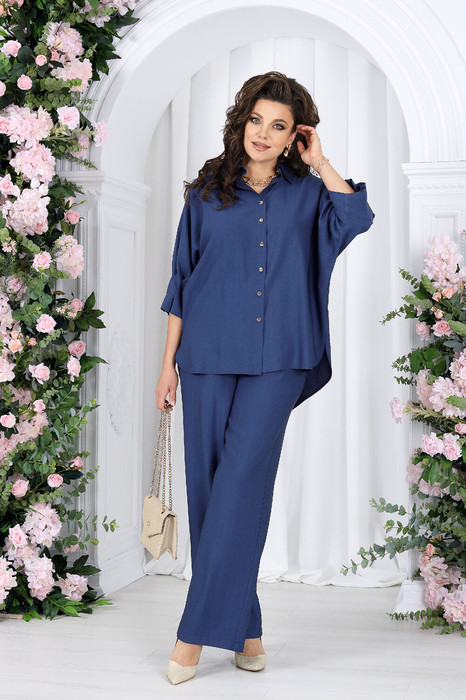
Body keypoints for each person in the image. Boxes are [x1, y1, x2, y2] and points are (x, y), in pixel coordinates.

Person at [155, 70, 375, 685]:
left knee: (241, 483)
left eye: (279, 126)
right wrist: (166, 364)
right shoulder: (204, 193)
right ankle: (247, 628)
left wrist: (321, 161)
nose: (263, 133)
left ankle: (192, 635)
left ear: (294, 136)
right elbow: (181, 280)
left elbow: (357, 217)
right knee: (210, 490)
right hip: (204, 355)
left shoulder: (308, 194)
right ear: (241, 121)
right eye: (257, 120)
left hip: (280, 355)